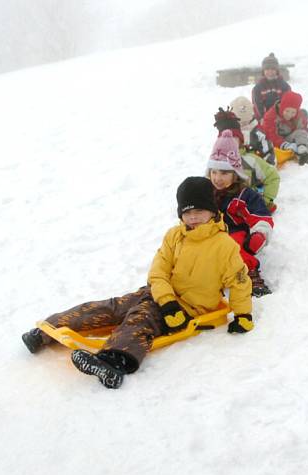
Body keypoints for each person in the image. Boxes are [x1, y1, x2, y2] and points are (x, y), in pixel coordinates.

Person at [20, 177, 254, 389]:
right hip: (160, 295)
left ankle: (114, 362)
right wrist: (166, 300)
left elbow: (239, 281)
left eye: (199, 210)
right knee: (113, 306)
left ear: (212, 211)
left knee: (141, 318)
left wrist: (243, 315)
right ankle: (46, 330)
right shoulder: (175, 235)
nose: (193, 217)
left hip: (188, 309)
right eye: (187, 211)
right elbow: (158, 270)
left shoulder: (224, 246)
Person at [207, 131, 275, 296]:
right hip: (209, 234)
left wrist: (259, 234)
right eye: (214, 172)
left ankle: (250, 273)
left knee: (233, 246)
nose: (218, 178)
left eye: (224, 173)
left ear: (235, 174)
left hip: (236, 235)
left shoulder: (245, 195)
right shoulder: (206, 191)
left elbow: (261, 215)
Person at [214, 107, 280, 212]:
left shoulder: (250, 160)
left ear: (240, 141)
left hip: (247, 205)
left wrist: (265, 200)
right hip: (224, 207)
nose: (229, 143)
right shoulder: (215, 161)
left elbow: (273, 177)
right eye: (225, 139)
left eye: (233, 139)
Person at [260, 90, 308, 165]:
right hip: (276, 141)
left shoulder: (299, 116)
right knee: (277, 151)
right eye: (287, 111)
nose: (289, 115)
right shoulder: (271, 116)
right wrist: (284, 144)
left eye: (293, 112)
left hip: (290, 138)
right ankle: (298, 154)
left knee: (300, 133)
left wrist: (298, 140)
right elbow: (269, 134)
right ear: (282, 107)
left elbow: (303, 129)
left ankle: (304, 151)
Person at [230, 96, 275, 163]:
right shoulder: (230, 132)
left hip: (255, 164)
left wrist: (268, 161)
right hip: (234, 165)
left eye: (246, 121)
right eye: (240, 122)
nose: (243, 124)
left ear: (251, 116)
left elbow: (268, 150)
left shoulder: (258, 132)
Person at [252, 52, 291, 120]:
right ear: (263, 71)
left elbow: (289, 101)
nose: (270, 72)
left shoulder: (284, 86)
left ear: (277, 71)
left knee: (302, 113)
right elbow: (257, 105)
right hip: (265, 116)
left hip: (281, 116)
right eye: (267, 69)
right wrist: (262, 117)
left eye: (273, 69)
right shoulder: (258, 88)